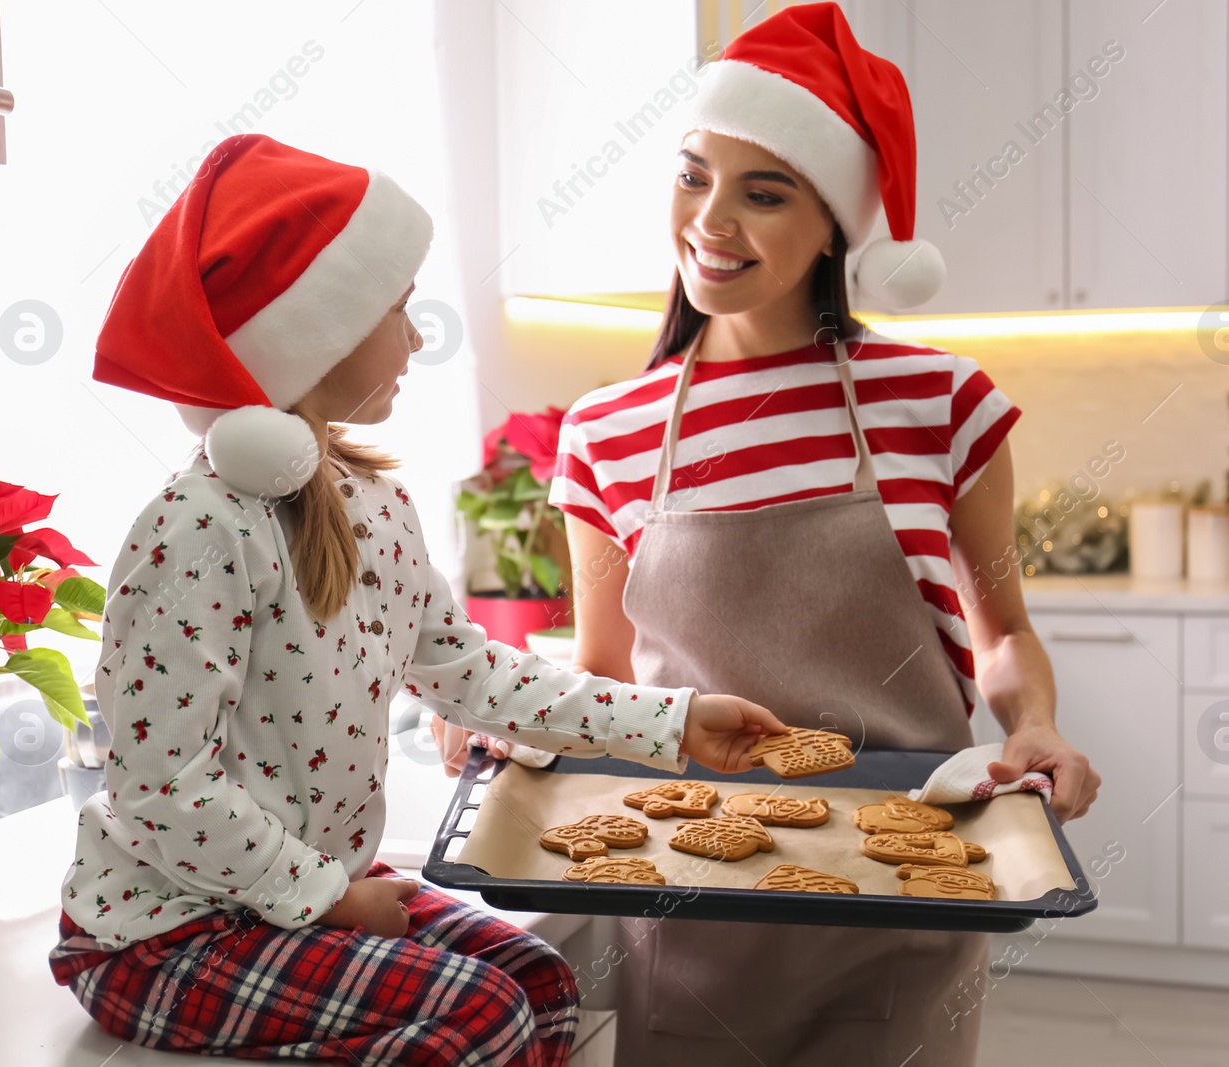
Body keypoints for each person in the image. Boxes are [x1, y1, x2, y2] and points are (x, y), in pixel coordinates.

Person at [46, 133, 789, 1067]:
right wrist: (326, 895)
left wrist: (676, 721)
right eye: (396, 310)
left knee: (546, 987)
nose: (418, 334)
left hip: (299, 898)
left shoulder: (376, 504)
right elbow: (161, 786)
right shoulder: (198, 530)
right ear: (315, 336)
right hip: (164, 931)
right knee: (482, 1013)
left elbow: (471, 676)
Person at [446, 6, 1102, 1064]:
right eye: (693, 174)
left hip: (903, 891)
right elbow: (604, 680)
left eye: (766, 192)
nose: (712, 219)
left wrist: (1035, 723)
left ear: (834, 223)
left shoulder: (938, 400)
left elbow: (1003, 632)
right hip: (684, 896)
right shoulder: (606, 431)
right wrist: (512, 726)